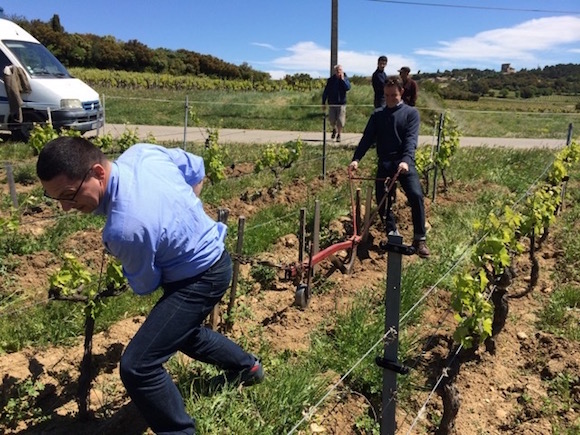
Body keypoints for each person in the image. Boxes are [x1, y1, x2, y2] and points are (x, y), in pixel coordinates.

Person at [36, 137, 264, 434]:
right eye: (56, 199)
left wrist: (141, 246)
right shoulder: (143, 153)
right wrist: (184, 216)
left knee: (138, 366)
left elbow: (146, 283)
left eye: (69, 195)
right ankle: (248, 369)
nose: (65, 207)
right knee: (182, 333)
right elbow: (196, 169)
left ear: (98, 173)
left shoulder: (123, 229)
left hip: (199, 279)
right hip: (217, 260)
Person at [348, 76, 430, 258]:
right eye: (387, 95)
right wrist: (356, 159)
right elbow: (367, 138)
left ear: (401, 92)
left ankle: (420, 239)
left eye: (393, 95)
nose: (390, 98)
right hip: (385, 164)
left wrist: (405, 161)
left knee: (416, 195)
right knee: (383, 200)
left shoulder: (411, 114)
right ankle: (392, 232)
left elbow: (410, 140)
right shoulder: (378, 115)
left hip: (404, 164)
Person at [322, 64, 351, 142]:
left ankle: (339, 134)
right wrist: (323, 102)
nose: (339, 72)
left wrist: (342, 80)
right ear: (335, 71)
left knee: (340, 121)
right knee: (332, 120)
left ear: (342, 71)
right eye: (337, 70)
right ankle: (334, 129)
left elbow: (348, 88)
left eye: (340, 70)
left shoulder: (345, 79)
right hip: (332, 103)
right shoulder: (331, 80)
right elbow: (326, 91)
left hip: (341, 104)